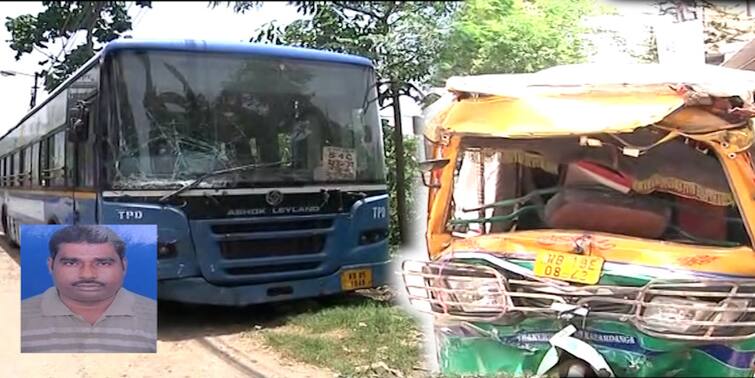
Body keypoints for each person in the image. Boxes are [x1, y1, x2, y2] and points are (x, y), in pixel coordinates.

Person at [21, 225, 156, 353]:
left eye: (103, 263)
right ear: (51, 266)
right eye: (71, 263)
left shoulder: (154, 316)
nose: (87, 275)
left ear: (124, 266)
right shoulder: (18, 318)